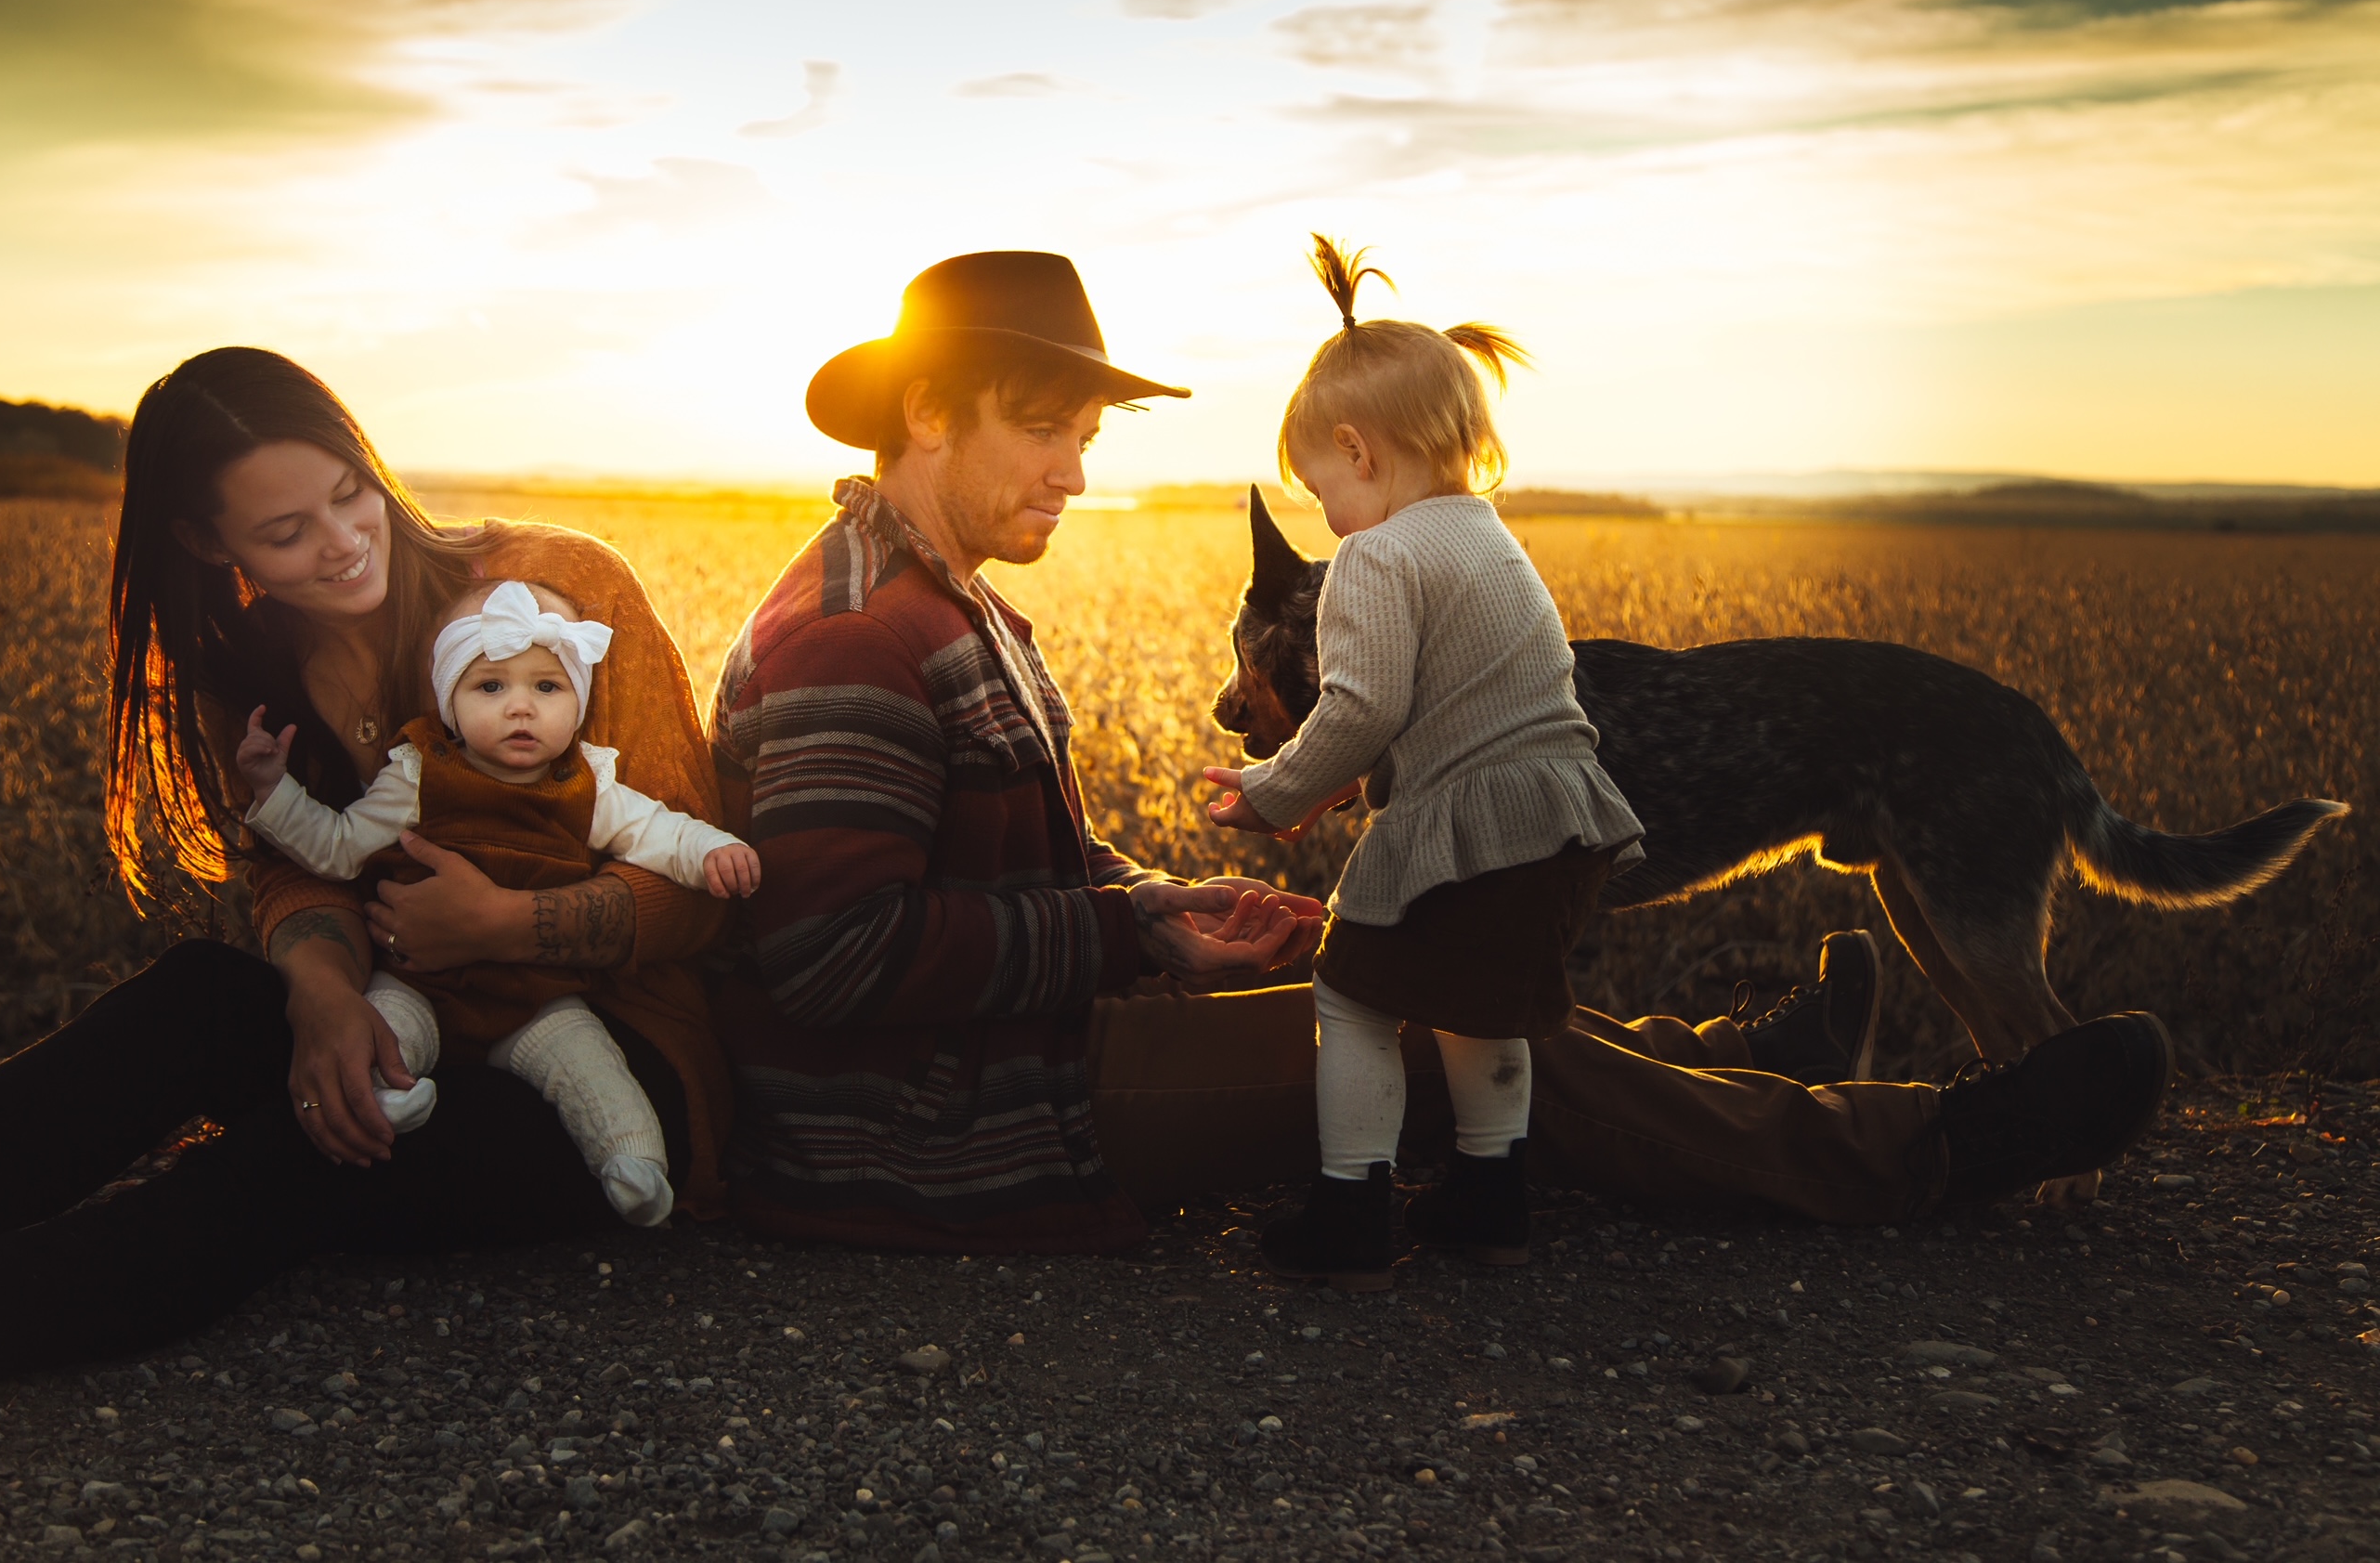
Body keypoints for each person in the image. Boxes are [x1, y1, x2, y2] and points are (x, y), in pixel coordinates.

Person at [710, 248, 2175, 1261]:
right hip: (947, 1124)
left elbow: (1001, 868)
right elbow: (834, 958)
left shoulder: (939, 600)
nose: (1076, 473)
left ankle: (1717, 1075)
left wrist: (1156, 906)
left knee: (1422, 969)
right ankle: (1915, 1151)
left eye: (1085, 434)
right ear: (923, 411)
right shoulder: (857, 637)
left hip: (1015, 1056)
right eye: (1044, 430)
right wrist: (1117, 933)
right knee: (1429, 1032)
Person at [0, 347, 733, 1435]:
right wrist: (321, 987)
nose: (341, 544)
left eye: (348, 495)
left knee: (315, 1148)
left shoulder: (558, 589)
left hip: (606, 1073)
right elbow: (289, 866)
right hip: (412, 1026)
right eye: (285, 533)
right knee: (195, 994)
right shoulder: (250, 665)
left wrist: (512, 920)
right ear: (205, 542)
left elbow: (697, 892)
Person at [1203, 237, 1645, 1290]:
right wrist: (1363, 776)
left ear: (1357, 453)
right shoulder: (1484, 537)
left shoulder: (1376, 555)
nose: (1325, 518)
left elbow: (1360, 705)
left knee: (1351, 999)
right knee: (1476, 1008)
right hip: (1559, 822)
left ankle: (1349, 1216)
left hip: (1470, 831)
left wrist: (1277, 792)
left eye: (1318, 492)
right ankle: (1491, 1200)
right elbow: (1462, 701)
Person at [239, 577, 761, 1226]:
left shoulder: (586, 784)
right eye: (491, 687)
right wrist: (274, 791)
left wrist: (712, 851)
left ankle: (635, 1167)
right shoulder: (418, 774)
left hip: (534, 998)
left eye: (547, 687)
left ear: (578, 703)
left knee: (594, 1069)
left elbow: (656, 831)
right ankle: (386, 1100)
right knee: (382, 1031)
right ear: (449, 702)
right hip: (421, 983)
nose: (521, 707)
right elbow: (337, 847)